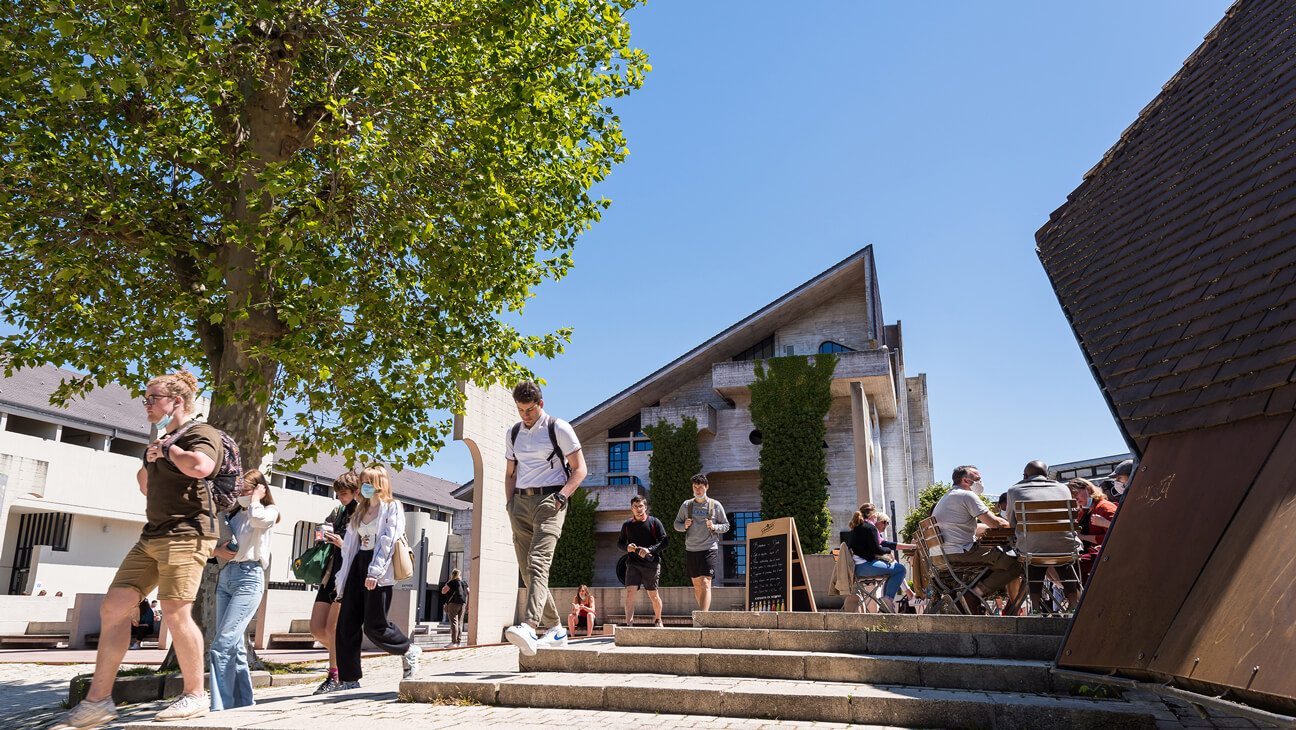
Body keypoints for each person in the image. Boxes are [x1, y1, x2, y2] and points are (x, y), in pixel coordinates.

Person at [57, 371, 222, 728]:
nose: (146, 404)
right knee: (113, 607)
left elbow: (202, 466)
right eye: (145, 398)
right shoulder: (164, 438)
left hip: (188, 532)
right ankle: (98, 701)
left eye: (153, 398)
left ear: (176, 401)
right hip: (153, 534)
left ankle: (194, 695)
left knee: (176, 610)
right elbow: (146, 488)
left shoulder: (200, 433)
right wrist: (153, 456)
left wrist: (170, 450)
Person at [503, 381, 588, 656]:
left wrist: (562, 497)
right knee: (527, 570)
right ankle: (557, 628)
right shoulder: (514, 432)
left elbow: (580, 469)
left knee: (538, 563)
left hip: (551, 501)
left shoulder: (558, 428)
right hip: (520, 503)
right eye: (520, 410)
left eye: (529, 409)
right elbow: (510, 473)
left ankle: (529, 625)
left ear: (540, 404)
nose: (525, 415)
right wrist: (509, 504)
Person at [333, 465, 421, 688]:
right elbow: (349, 549)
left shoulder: (392, 508)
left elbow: (388, 541)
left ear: (380, 484)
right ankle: (349, 679)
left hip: (377, 569)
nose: (364, 487)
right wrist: (341, 583)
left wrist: (375, 572)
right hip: (356, 567)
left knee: (375, 626)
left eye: (369, 483)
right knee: (346, 626)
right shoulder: (359, 512)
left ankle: (408, 650)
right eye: (363, 482)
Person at [209, 469, 280, 712]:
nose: (240, 494)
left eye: (246, 489)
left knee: (221, 645)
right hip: (226, 576)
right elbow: (214, 544)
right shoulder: (233, 514)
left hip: (249, 578)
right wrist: (217, 551)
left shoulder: (268, 510)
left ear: (259, 489)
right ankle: (241, 703)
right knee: (236, 646)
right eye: (239, 489)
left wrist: (256, 500)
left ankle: (220, 705)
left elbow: (260, 520)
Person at [930, 465, 1021, 613]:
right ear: (966, 480)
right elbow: (995, 523)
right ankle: (974, 594)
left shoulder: (948, 497)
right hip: (959, 552)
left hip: (941, 556)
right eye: (978, 479)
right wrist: (1018, 527)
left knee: (998, 562)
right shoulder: (966, 495)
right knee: (1017, 563)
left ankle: (974, 597)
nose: (981, 483)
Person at [1005, 461, 1082, 611]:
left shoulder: (1014, 490)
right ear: (1046, 476)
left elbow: (1012, 522)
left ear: (1025, 476)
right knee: (1063, 554)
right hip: (1066, 546)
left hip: (1033, 549)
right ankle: (1074, 604)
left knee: (1032, 554)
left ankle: (1035, 607)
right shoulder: (1063, 488)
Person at [310, 471, 360, 694]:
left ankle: (335, 676)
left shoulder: (362, 513)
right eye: (338, 493)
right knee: (316, 629)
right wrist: (323, 534)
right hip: (330, 574)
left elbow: (365, 549)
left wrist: (343, 544)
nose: (340, 497)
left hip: (348, 576)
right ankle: (347, 659)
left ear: (356, 492)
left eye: (344, 493)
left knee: (332, 629)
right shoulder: (339, 512)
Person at [673, 474, 729, 612]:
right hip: (691, 549)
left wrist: (715, 527)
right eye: (695, 487)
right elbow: (676, 524)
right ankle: (702, 615)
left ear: (707, 487)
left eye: (700, 487)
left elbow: (726, 526)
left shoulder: (715, 505)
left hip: (709, 548)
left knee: (705, 583)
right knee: (697, 585)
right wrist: (684, 525)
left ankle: (703, 616)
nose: (697, 490)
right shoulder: (687, 505)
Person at [847, 504, 916, 612]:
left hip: (855, 569)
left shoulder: (855, 529)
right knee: (900, 569)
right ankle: (887, 600)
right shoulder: (870, 528)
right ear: (873, 515)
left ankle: (886, 602)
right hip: (865, 567)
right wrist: (888, 551)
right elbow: (877, 550)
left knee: (892, 569)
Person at [618, 495, 669, 627]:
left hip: (651, 564)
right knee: (630, 594)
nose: (638, 509)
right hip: (633, 564)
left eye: (640, 506)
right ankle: (629, 626)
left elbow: (664, 541)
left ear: (645, 507)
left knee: (653, 596)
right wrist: (626, 548)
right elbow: (620, 543)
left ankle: (658, 620)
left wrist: (650, 550)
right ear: (631, 509)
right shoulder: (627, 525)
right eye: (635, 507)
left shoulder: (654, 522)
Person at [1069, 478, 1117, 583]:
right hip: (1088, 554)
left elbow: (1117, 536)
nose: (1074, 498)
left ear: (1088, 489)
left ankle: (1084, 596)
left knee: (1073, 565)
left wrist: (1084, 537)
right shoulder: (1083, 511)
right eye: (1071, 496)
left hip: (1104, 554)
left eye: (1076, 493)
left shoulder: (1105, 507)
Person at [872, 513, 919, 604]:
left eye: (888, 523)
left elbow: (885, 546)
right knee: (896, 568)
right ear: (876, 522)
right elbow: (887, 545)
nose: (886, 525)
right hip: (868, 567)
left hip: (870, 565)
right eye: (884, 522)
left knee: (894, 567)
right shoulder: (872, 534)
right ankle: (909, 595)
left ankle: (908, 596)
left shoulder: (876, 535)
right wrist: (912, 546)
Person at [440, 569, 469, 647]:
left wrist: (448, 582)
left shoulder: (451, 583)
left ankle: (453, 642)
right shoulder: (464, 583)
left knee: (454, 623)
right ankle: (458, 642)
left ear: (452, 575)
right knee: (460, 623)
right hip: (463, 604)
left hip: (453, 604)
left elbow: (443, 591)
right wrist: (468, 604)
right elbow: (469, 592)